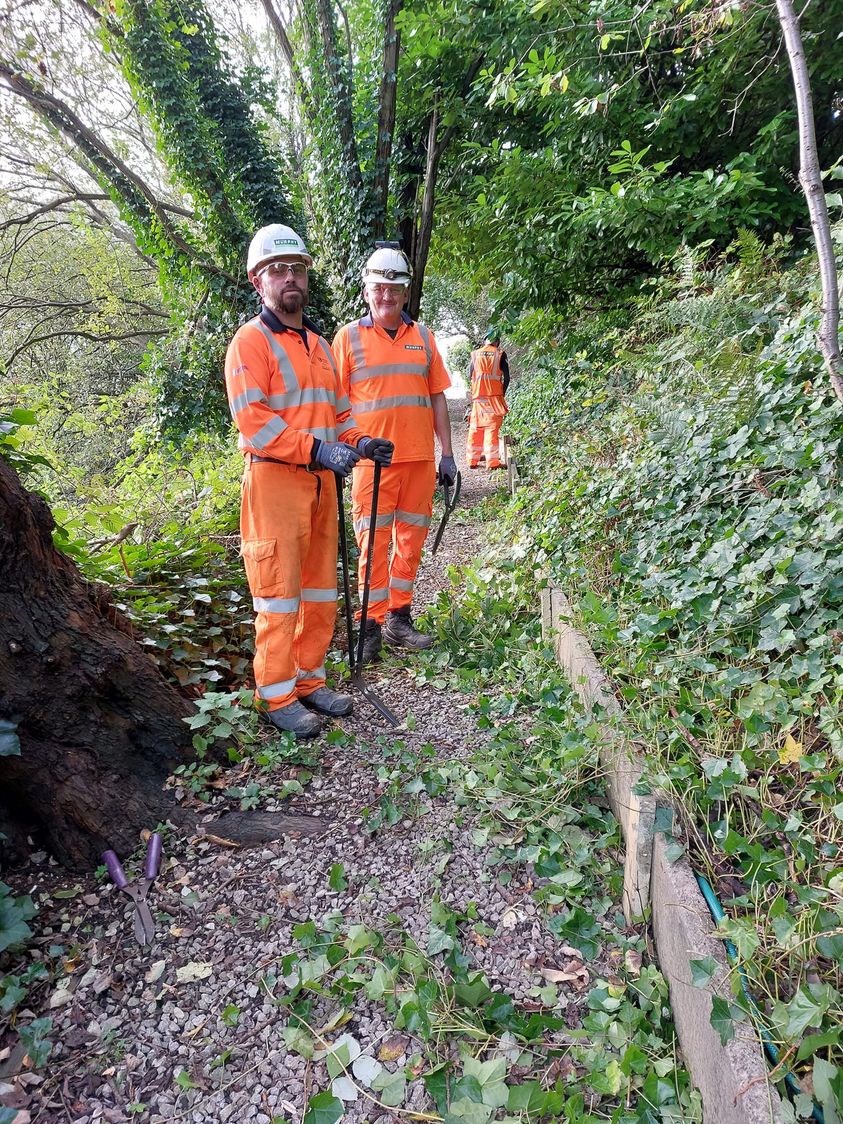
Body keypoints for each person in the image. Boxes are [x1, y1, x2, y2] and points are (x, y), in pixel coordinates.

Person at [224, 223, 393, 738]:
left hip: (323, 484)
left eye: (296, 268)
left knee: (320, 591)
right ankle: (275, 695)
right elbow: (254, 420)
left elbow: (339, 414)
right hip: (275, 484)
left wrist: (360, 443)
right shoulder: (248, 344)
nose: (289, 278)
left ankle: (309, 680)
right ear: (259, 281)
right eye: (278, 270)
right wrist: (317, 449)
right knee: (278, 594)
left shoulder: (319, 345)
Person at [332, 243, 456, 664]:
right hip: (372, 464)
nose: (386, 296)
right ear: (367, 291)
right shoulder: (348, 338)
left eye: (394, 289)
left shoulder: (423, 337)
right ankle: (369, 625)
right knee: (372, 543)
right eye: (379, 288)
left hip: (419, 461)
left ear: (405, 293)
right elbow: (335, 402)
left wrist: (448, 454)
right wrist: (345, 448)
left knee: (410, 542)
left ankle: (399, 617)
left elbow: (437, 397)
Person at [466, 329, 510, 469]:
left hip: (479, 398)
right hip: (494, 398)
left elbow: (469, 374)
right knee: (492, 428)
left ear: (485, 340)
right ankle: (492, 462)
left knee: (476, 428)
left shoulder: (475, 354)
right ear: (497, 342)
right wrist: (501, 392)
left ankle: (472, 460)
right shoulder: (500, 354)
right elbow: (507, 378)